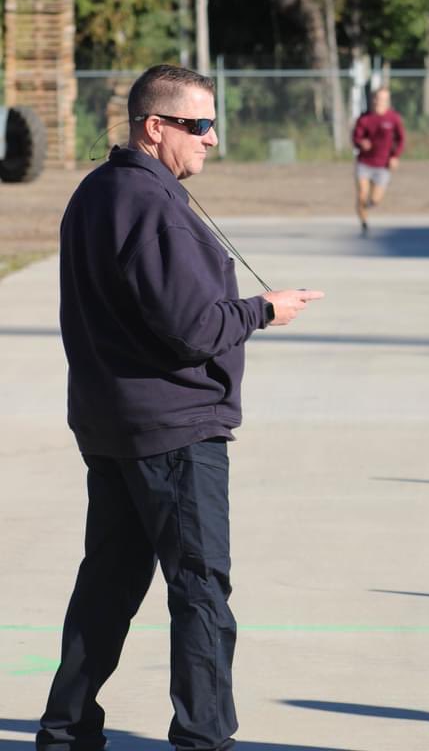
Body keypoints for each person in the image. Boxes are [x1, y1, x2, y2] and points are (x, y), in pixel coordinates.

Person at [36, 64, 324, 751]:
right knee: (200, 591)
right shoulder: (152, 205)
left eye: (213, 123)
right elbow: (192, 327)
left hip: (112, 424)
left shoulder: (96, 192)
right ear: (153, 126)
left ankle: (66, 729)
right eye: (198, 125)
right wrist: (262, 309)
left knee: (107, 586)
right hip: (172, 430)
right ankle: (203, 739)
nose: (212, 138)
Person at [352, 85, 405, 235]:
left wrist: (395, 157)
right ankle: (363, 223)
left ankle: (366, 208)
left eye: (383, 99)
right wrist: (361, 143)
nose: (379, 102)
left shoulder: (393, 118)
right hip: (364, 162)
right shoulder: (364, 118)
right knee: (362, 193)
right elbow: (356, 137)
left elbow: (401, 139)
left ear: (387, 101)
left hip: (383, 165)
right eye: (377, 98)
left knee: (375, 200)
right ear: (372, 99)